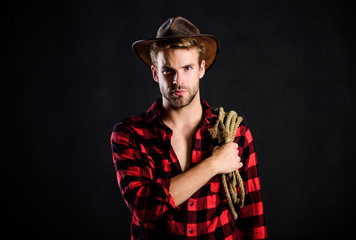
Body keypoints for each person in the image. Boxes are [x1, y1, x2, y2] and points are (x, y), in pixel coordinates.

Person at [111, 16, 267, 240]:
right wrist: (213, 164)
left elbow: (253, 220)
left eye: (187, 68)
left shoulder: (235, 134)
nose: (178, 80)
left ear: (201, 69)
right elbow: (144, 206)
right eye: (168, 71)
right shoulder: (130, 134)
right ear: (155, 73)